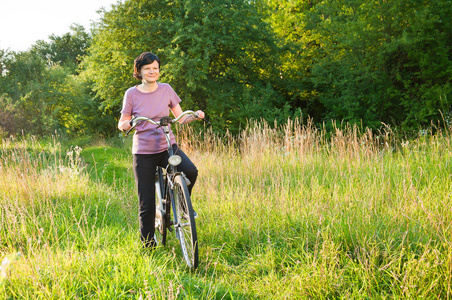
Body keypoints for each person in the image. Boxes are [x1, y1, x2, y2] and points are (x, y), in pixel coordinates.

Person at [118, 52, 205, 249]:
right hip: (143, 152)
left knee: (190, 170)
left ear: (159, 70)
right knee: (146, 203)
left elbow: (181, 117)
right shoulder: (131, 93)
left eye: (155, 68)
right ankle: (148, 246)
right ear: (139, 71)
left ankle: (183, 207)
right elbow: (122, 121)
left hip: (167, 146)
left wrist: (196, 116)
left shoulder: (166, 89)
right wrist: (126, 124)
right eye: (147, 68)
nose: (152, 71)